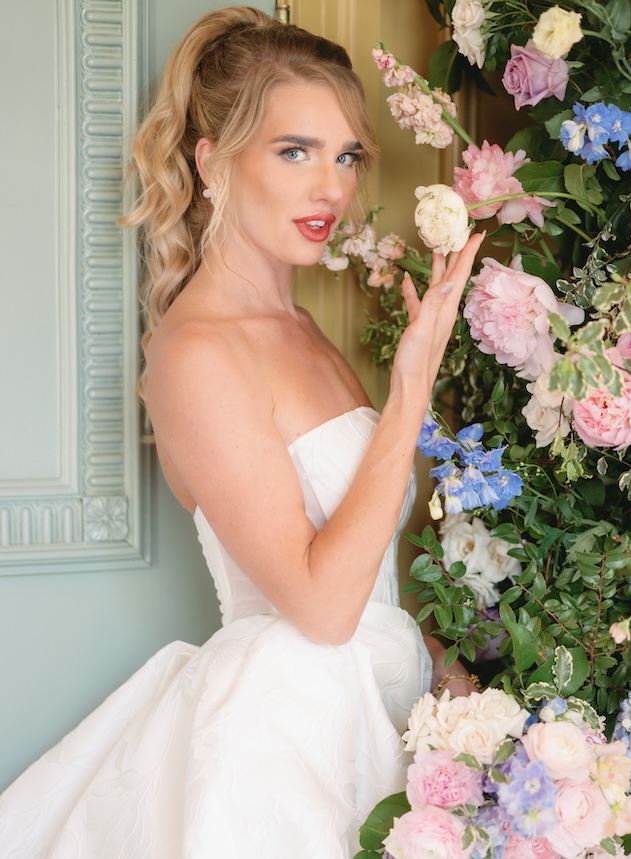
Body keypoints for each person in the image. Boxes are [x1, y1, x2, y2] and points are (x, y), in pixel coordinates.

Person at [0, 7, 484, 857]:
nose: (330, 187)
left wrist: (449, 677)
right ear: (211, 161)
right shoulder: (194, 355)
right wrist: (411, 388)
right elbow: (322, 606)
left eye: (346, 155)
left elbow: (365, 579)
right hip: (285, 738)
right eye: (293, 151)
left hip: (383, 713)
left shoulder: (300, 331)